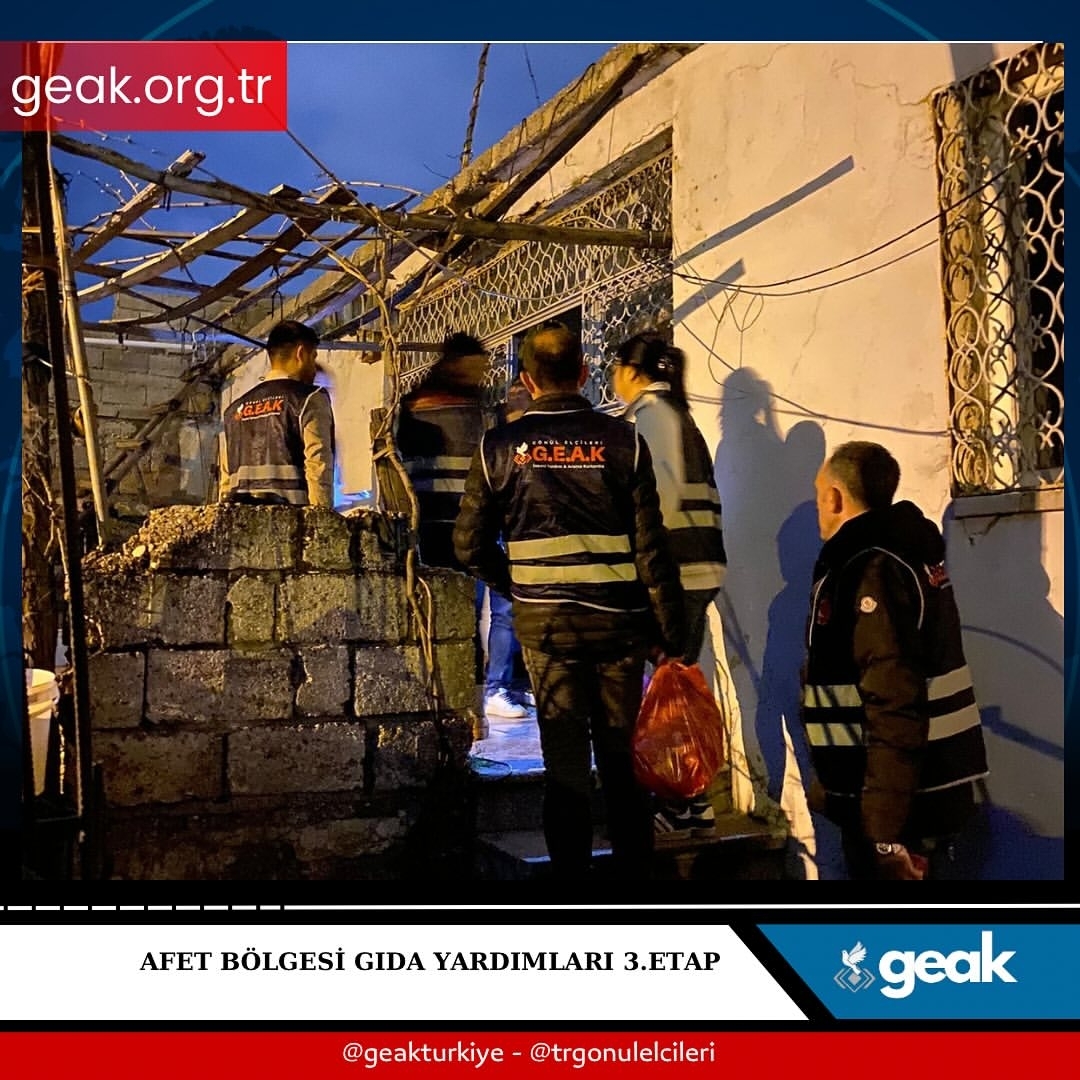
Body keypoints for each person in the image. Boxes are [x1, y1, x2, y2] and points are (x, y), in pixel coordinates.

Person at [453, 322, 685, 880]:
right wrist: (671, 634)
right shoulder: (625, 441)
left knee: (564, 768)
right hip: (619, 629)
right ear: (583, 373)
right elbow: (652, 549)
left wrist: (519, 586)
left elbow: (468, 545)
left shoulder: (497, 448)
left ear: (528, 380)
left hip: (547, 630)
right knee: (621, 762)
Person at [802, 441, 989, 880]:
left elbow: (893, 699)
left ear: (834, 498)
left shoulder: (871, 569)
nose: (818, 509)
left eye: (818, 497)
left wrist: (884, 834)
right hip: (915, 789)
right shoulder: (899, 554)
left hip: (902, 806)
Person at [612, 331, 728, 843]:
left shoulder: (651, 418)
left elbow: (656, 504)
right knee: (674, 691)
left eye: (615, 369)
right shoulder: (678, 415)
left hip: (675, 578)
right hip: (696, 572)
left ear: (631, 372)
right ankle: (692, 805)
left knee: (667, 695)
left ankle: (682, 804)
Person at [396, 332, 490, 569]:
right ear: (456, 364)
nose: (480, 374)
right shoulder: (460, 407)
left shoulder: (414, 403)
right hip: (449, 514)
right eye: (476, 367)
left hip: (433, 514)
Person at [221, 319, 334, 506]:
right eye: (313, 357)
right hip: (292, 517)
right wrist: (323, 517)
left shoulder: (233, 410)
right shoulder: (309, 399)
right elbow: (318, 467)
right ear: (301, 354)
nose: (314, 369)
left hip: (241, 520)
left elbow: (226, 481)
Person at [482, 375, 534, 720]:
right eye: (513, 392)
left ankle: (513, 684)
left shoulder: (528, 437)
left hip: (524, 534)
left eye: (522, 392)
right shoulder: (500, 439)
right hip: (505, 533)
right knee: (504, 613)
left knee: (519, 614)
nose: (516, 397)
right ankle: (496, 687)